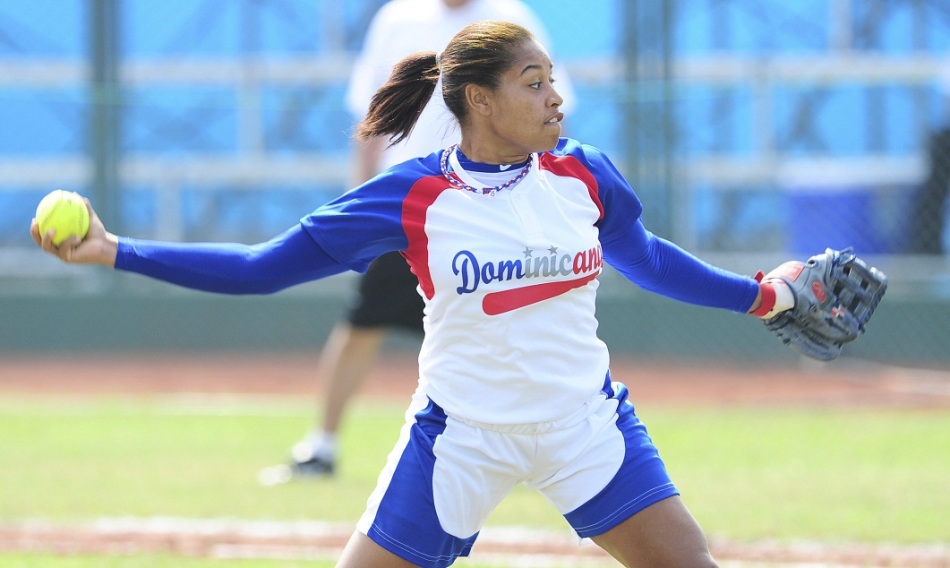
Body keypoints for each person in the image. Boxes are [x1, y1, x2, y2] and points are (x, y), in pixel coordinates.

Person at [34, 21, 797, 567]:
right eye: (534, 84)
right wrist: (115, 251)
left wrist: (763, 297)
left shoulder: (584, 172)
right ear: (479, 100)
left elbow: (652, 262)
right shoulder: (414, 194)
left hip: (584, 425)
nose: (555, 99)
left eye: (554, 82)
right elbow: (259, 268)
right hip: (461, 438)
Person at [260, 0, 576, 483]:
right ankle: (322, 446)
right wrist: (361, 195)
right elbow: (375, 113)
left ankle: (542, 449)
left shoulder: (513, 18)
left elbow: (551, 110)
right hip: (410, 208)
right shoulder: (398, 19)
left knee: (508, 332)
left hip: (486, 208)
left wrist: (546, 189)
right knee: (363, 323)